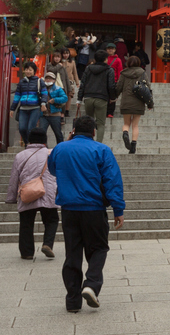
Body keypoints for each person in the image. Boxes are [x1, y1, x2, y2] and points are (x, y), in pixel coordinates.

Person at [48, 114, 126, 313]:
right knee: (98, 248)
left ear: (73, 130)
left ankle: (72, 301)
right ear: (93, 132)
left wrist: (66, 145)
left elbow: (53, 169)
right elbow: (112, 180)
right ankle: (91, 285)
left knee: (72, 253)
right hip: (93, 208)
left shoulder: (60, 149)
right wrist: (118, 209)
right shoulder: (101, 150)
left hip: (69, 210)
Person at [5, 127, 58, 260]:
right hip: (48, 192)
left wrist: (11, 198)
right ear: (44, 141)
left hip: (28, 192)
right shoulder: (51, 153)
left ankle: (27, 252)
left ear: (29, 140)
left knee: (26, 223)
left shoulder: (20, 155)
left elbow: (14, 178)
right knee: (52, 220)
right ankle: (47, 244)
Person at [78, 50, 117, 144]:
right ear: (105, 59)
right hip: (101, 98)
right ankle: (98, 143)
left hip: (88, 97)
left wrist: (79, 99)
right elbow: (111, 85)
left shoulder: (88, 68)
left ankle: (88, 142)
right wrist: (112, 97)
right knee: (100, 123)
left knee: (88, 122)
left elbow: (82, 84)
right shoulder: (109, 70)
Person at [114, 56, 149, 153]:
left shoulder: (124, 73)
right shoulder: (142, 73)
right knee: (135, 125)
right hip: (139, 102)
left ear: (128, 63)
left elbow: (118, 87)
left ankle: (125, 133)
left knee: (126, 123)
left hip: (126, 101)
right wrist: (150, 103)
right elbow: (148, 88)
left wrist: (114, 96)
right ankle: (133, 146)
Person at [10, 62, 49, 147]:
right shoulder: (21, 82)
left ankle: (30, 145)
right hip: (23, 109)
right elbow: (17, 96)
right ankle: (27, 143)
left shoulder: (39, 81)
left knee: (30, 129)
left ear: (34, 71)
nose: (28, 71)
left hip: (35, 108)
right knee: (22, 128)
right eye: (27, 69)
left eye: (30, 70)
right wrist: (12, 108)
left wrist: (43, 103)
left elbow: (44, 93)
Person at [40, 71, 69, 146]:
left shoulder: (58, 89)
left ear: (54, 80)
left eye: (50, 78)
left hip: (55, 114)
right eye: (47, 78)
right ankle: (44, 148)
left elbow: (65, 98)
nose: (48, 80)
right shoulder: (41, 88)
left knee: (58, 133)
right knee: (42, 133)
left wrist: (55, 100)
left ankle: (61, 148)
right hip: (43, 115)